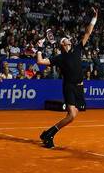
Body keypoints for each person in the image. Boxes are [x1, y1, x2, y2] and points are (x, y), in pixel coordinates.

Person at [36, 8, 97, 149]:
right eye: (67, 40)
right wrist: (39, 48)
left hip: (79, 87)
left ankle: (47, 133)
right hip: (69, 86)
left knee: (74, 114)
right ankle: (49, 135)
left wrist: (94, 18)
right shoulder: (59, 58)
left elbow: (88, 32)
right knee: (71, 115)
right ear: (64, 45)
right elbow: (40, 62)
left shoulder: (77, 49)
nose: (69, 40)